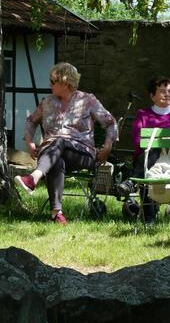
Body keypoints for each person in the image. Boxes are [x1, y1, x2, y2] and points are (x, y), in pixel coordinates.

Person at [14, 62, 117, 225]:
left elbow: (110, 123)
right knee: (57, 158)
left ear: (66, 83)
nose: (49, 85)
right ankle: (57, 213)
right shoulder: (47, 102)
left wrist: (108, 146)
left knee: (60, 141)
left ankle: (34, 177)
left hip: (81, 152)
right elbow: (30, 121)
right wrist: (29, 142)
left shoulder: (87, 100)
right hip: (51, 153)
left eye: (53, 81)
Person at [116, 76, 170, 224]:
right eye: (162, 91)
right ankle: (149, 217)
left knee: (154, 150)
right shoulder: (143, 114)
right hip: (147, 158)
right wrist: (160, 143)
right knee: (151, 153)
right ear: (152, 96)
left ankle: (132, 182)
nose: (167, 94)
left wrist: (166, 144)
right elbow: (138, 141)